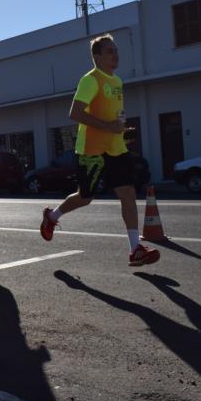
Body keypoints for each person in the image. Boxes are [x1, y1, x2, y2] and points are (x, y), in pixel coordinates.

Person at [40, 34, 161, 266]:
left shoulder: (117, 81)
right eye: (109, 51)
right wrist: (107, 126)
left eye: (116, 51)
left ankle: (135, 248)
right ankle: (52, 216)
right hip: (91, 150)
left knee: (127, 193)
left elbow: (110, 115)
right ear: (97, 57)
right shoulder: (91, 80)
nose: (116, 55)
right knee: (85, 197)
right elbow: (75, 113)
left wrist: (120, 129)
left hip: (116, 147)